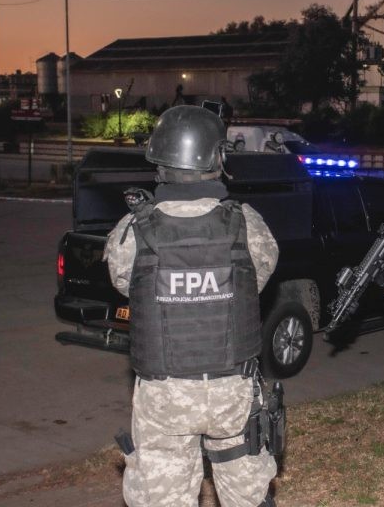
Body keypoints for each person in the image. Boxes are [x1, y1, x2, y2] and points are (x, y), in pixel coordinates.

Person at [104, 105, 280, 507]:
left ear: (160, 161)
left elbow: (123, 283)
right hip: (232, 391)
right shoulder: (247, 223)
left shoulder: (132, 230)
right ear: (218, 159)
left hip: (165, 396)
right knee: (247, 496)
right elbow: (259, 277)